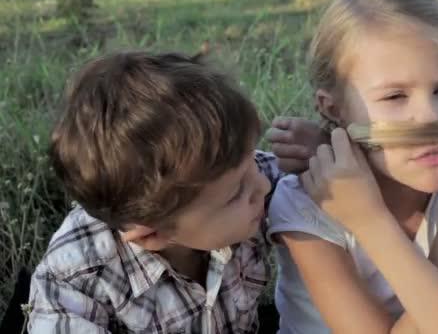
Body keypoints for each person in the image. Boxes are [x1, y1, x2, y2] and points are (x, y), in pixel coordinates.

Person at [267, 0, 438, 333]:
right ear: (333, 109)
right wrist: (372, 222)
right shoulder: (308, 205)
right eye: (395, 96)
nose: (428, 118)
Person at [27, 50, 321, 333]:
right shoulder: (78, 279)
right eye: (236, 194)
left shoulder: (228, 184)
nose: (264, 185)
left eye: (252, 161)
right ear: (152, 235)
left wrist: (324, 148)